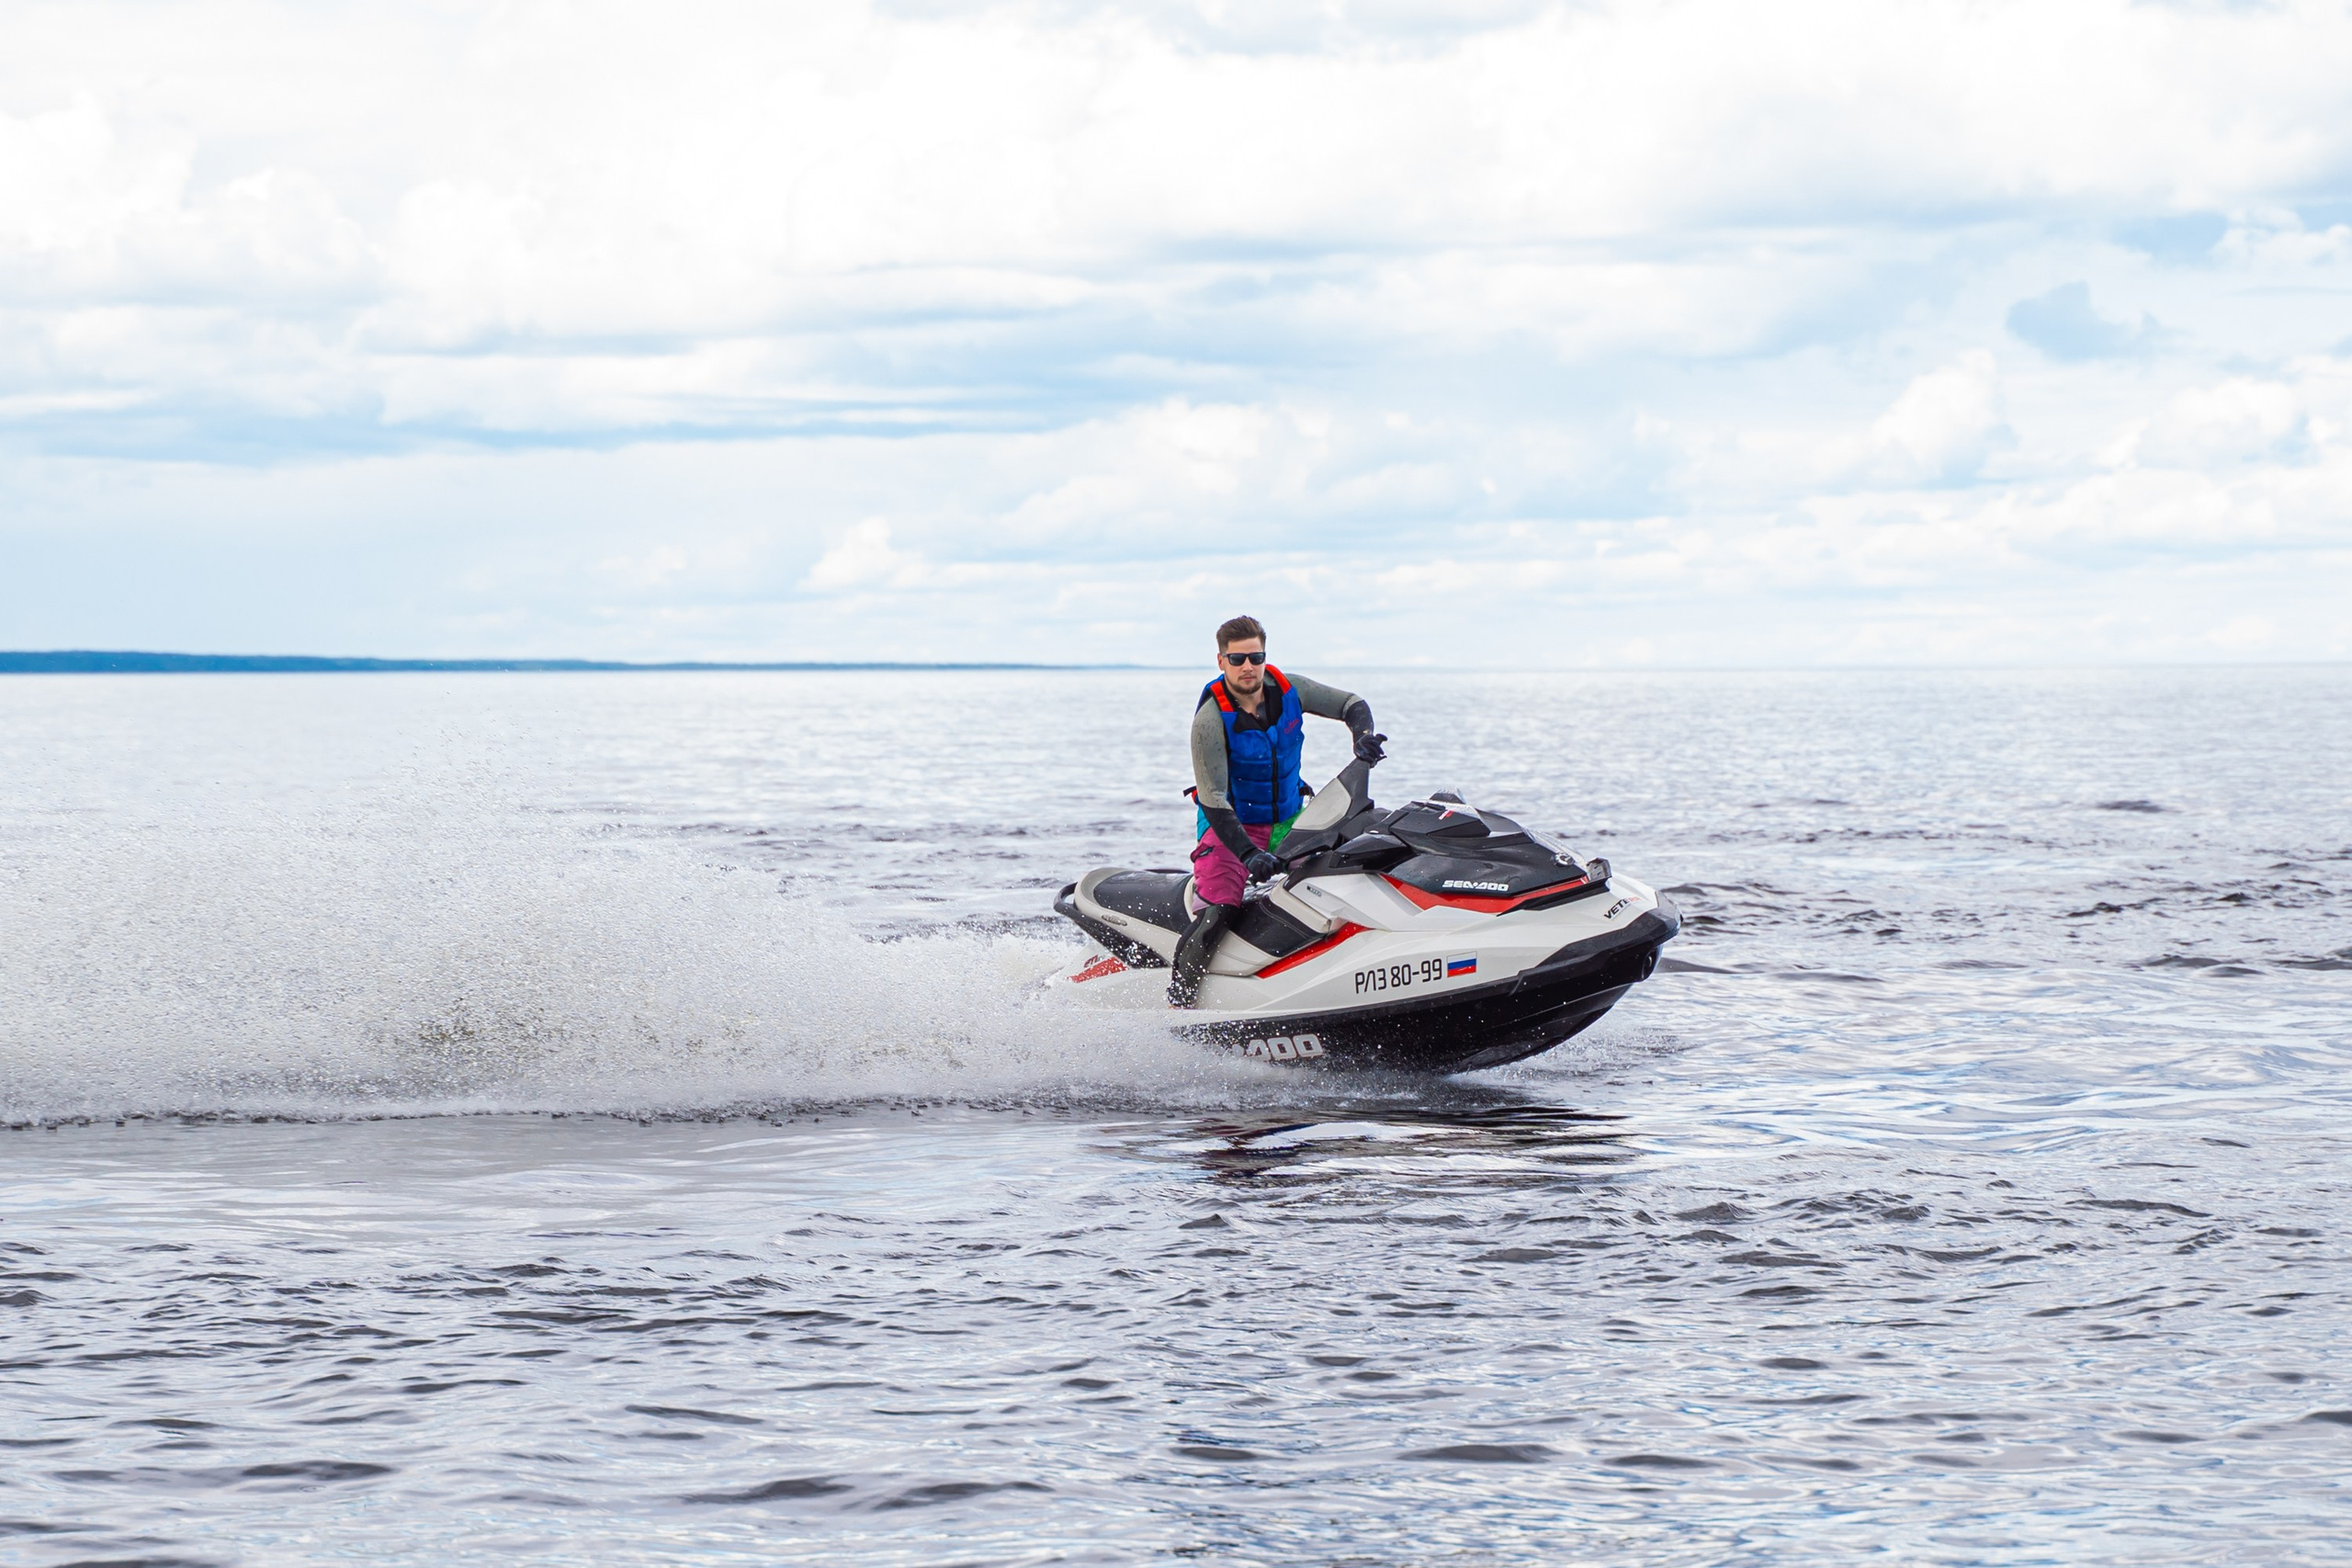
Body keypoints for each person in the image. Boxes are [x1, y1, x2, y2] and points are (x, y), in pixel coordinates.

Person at [1168, 615, 1385, 1007]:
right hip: (1232, 827)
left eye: (1255, 657)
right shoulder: (1210, 720)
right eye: (1237, 660)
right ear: (1221, 662)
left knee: (1348, 874)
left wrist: (1363, 739)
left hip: (1291, 821)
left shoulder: (1291, 690)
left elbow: (1351, 704)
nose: (1247, 666)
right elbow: (1214, 798)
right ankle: (1179, 1004)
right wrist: (1248, 855)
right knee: (1220, 912)